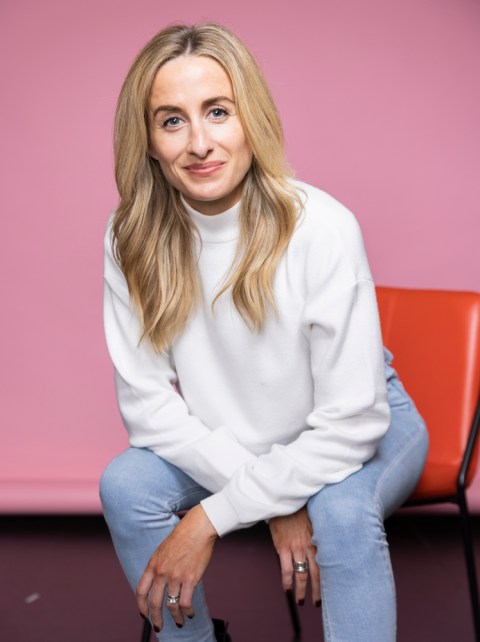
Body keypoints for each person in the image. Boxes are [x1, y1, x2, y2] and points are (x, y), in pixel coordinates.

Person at [100, 23, 429, 642]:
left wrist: (215, 517)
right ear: (145, 140)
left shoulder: (322, 228)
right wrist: (273, 497)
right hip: (233, 437)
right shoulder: (131, 238)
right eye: (171, 120)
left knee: (339, 510)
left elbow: (352, 424)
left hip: (355, 427)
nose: (200, 142)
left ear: (249, 116)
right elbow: (147, 408)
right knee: (124, 484)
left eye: (217, 111)